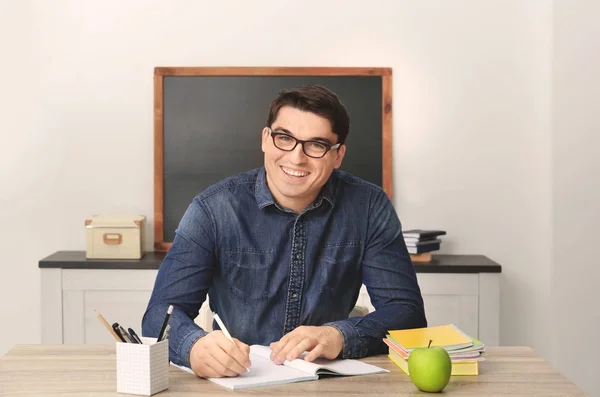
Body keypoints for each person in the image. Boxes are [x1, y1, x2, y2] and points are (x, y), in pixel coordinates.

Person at [142, 84, 426, 378]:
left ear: (338, 155)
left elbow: (407, 313)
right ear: (266, 139)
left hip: (330, 382)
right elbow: (159, 315)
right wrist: (194, 347)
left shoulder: (369, 207)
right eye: (284, 138)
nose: (296, 158)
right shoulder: (211, 210)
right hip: (238, 380)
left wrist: (339, 335)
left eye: (316, 145)